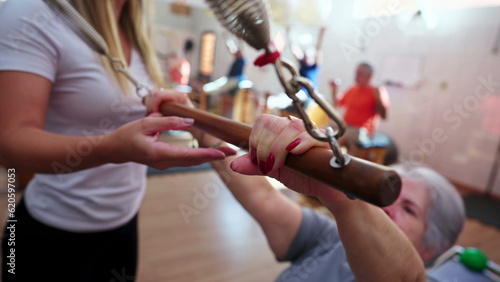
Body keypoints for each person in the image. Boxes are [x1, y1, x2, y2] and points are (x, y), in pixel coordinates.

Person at [0, 1, 234, 281]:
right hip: (54, 234)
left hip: (124, 225)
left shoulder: (132, 28)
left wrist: (163, 104)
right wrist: (111, 148)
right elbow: (9, 142)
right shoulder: (32, 12)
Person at [210, 114, 465, 281]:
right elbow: (264, 200)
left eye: (409, 209)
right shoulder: (335, 237)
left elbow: (405, 277)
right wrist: (199, 128)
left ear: (431, 246)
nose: (386, 207)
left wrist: (345, 200)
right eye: (387, 196)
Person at [330, 62, 390, 155]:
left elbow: (384, 116)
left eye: (360, 74)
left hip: (361, 130)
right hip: (345, 126)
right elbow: (337, 104)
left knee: (342, 138)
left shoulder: (376, 91)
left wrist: (378, 99)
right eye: (356, 73)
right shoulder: (353, 89)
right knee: (327, 132)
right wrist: (334, 89)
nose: (356, 76)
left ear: (369, 76)